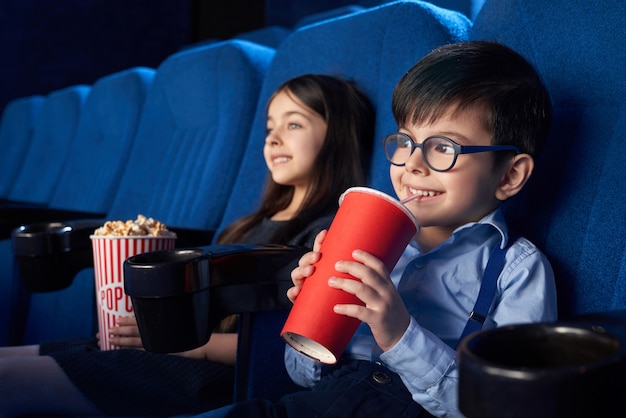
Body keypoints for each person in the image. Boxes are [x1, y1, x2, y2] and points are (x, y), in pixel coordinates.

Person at [178, 41, 558, 418]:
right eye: (405, 141)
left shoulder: (518, 270)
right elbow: (302, 377)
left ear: (509, 175)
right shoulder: (374, 248)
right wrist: (312, 319)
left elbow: (512, 406)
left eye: (443, 147)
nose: (412, 164)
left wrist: (399, 334)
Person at [0, 73, 375, 417]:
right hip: (173, 356)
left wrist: (196, 347)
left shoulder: (329, 234)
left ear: (337, 135)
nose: (273, 138)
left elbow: (294, 345)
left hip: (212, 377)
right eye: (269, 128)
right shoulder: (248, 224)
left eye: (293, 123)